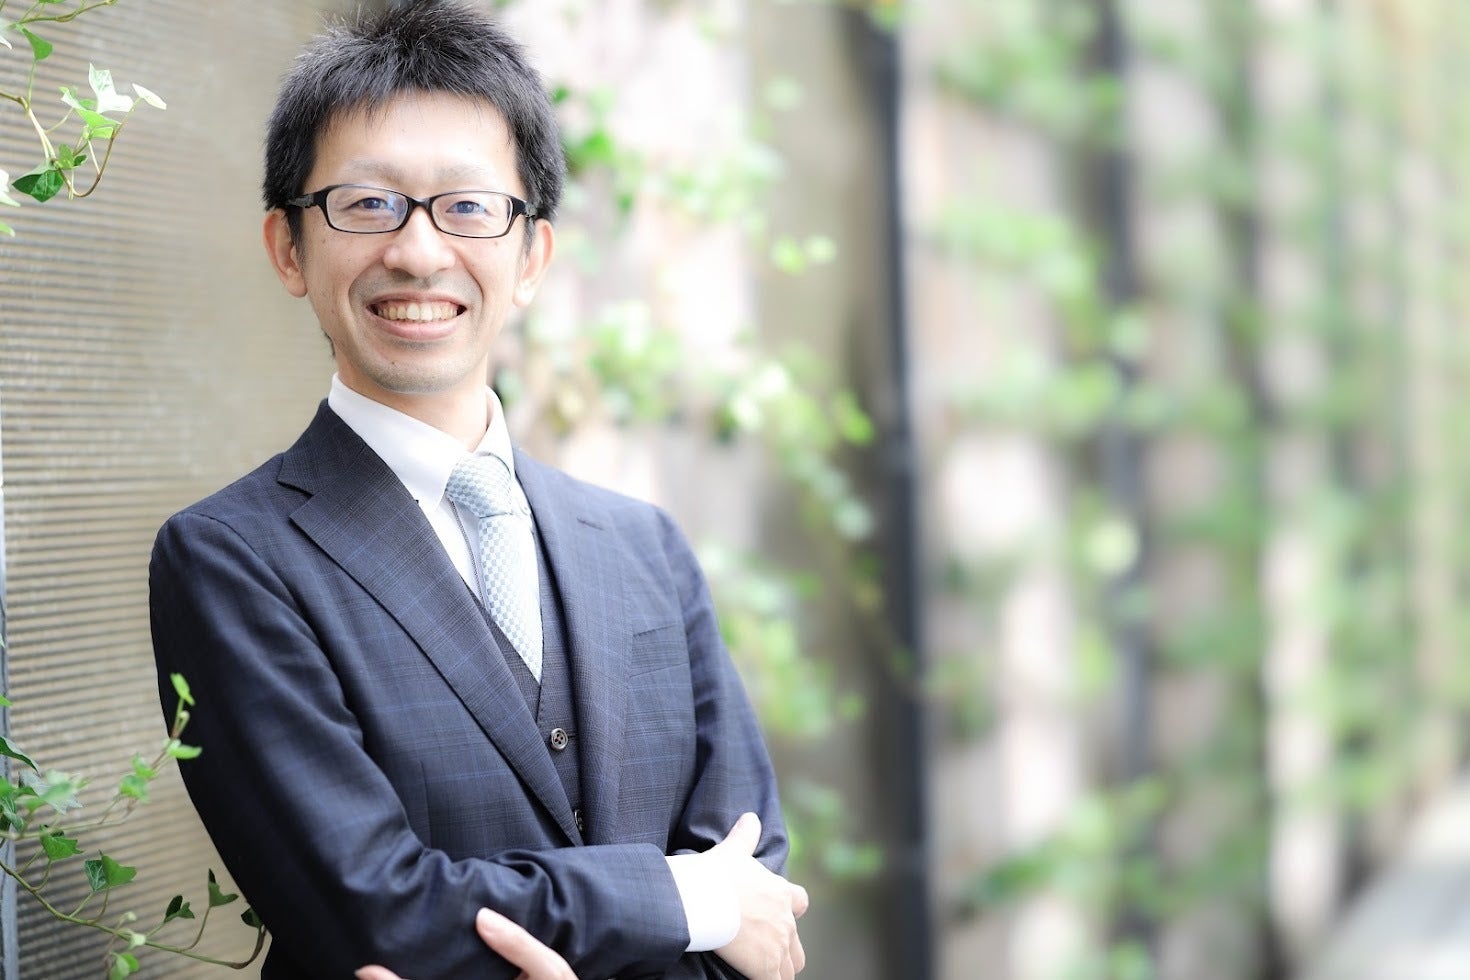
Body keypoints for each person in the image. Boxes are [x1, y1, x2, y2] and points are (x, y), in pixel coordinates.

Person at [148, 3, 808, 977]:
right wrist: (679, 899)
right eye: (367, 203)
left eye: (467, 206)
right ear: (288, 247)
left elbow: (757, 904)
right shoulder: (231, 559)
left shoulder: (645, 547)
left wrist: (708, 908)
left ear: (532, 255)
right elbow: (375, 915)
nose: (419, 252)